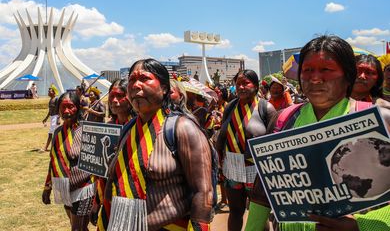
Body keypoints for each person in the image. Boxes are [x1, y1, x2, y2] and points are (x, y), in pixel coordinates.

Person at [246, 35, 390, 231]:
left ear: (348, 75)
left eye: (326, 70)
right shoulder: (283, 119)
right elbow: (263, 192)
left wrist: (360, 225)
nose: (315, 78)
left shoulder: (379, 121)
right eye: (307, 70)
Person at [105, 58, 213, 230]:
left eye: (144, 78)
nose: (135, 85)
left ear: (164, 88)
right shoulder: (128, 129)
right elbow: (113, 181)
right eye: (132, 80)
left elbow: (203, 192)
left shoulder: (182, 129)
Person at [215, 69, 276, 231]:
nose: (241, 87)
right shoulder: (230, 107)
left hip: (256, 169)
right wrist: (218, 162)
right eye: (238, 84)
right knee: (235, 211)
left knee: (258, 213)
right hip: (232, 167)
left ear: (255, 86)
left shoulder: (266, 108)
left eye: (245, 83)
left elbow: (274, 143)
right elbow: (222, 136)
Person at [42, 91, 95, 231]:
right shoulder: (58, 132)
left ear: (77, 107)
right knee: (79, 227)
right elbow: (53, 161)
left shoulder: (87, 131)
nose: (66, 111)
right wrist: (47, 187)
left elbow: (98, 164)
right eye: (63, 107)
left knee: (76, 228)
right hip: (65, 188)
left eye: (70, 106)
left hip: (85, 189)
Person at [90, 79, 134, 231]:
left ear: (130, 97)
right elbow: (101, 171)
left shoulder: (139, 128)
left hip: (132, 199)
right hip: (109, 197)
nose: (114, 100)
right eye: (111, 96)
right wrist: (96, 201)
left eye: (119, 96)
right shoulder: (108, 128)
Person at [42, 84, 60, 151]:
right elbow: (50, 111)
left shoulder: (56, 99)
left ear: (54, 92)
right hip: (52, 118)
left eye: (50, 91)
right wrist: (46, 119)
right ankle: (56, 147)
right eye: (48, 91)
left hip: (56, 117)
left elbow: (59, 109)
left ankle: (46, 147)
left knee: (51, 133)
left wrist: (58, 118)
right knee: (56, 133)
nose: (48, 92)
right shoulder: (50, 100)